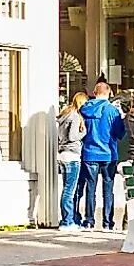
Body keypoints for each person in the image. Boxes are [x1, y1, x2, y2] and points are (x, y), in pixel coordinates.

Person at [76, 78, 126, 229]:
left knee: (90, 187)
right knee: (108, 189)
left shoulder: (84, 109)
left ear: (94, 93)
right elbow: (120, 133)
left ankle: (89, 220)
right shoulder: (112, 111)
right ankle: (107, 222)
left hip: (89, 152)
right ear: (109, 93)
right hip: (108, 154)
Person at [52, 92, 84, 229]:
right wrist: (84, 132)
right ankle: (67, 221)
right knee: (69, 190)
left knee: (66, 188)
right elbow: (72, 136)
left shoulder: (65, 114)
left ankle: (67, 219)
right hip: (72, 155)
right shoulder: (75, 116)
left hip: (63, 154)